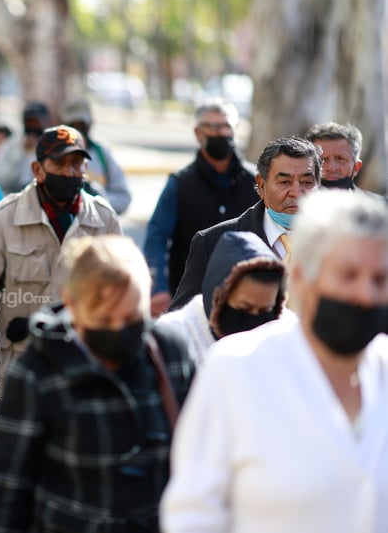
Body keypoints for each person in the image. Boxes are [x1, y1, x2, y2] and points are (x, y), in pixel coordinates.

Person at [160, 189, 388, 533]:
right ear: (300, 279)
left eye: (380, 280)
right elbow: (193, 515)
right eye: (347, 275)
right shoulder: (237, 369)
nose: (365, 294)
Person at [0, 235, 195, 533]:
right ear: (71, 305)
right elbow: (6, 490)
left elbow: (203, 461)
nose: (119, 329)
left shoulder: (171, 352)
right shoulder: (38, 373)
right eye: (104, 320)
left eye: (131, 317)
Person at [0, 125, 123, 385]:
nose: (70, 172)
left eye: (77, 164)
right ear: (37, 170)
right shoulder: (3, 219)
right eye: (60, 164)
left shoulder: (103, 219)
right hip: (19, 371)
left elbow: (119, 295)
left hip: (85, 368)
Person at [170, 135, 321, 310]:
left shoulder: (337, 243)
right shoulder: (212, 243)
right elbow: (183, 320)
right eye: (284, 182)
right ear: (261, 185)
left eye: (307, 182)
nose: (296, 192)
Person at [143, 99, 257, 316]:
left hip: (246, 297)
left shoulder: (256, 182)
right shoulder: (180, 184)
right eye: (214, 127)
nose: (221, 133)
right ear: (198, 133)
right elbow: (156, 239)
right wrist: (158, 289)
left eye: (227, 126)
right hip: (189, 298)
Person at [155, 231, 289, 365]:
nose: (254, 318)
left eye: (264, 310)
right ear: (219, 297)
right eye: (244, 307)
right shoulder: (172, 337)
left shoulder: (286, 332)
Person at [59, 96, 132, 214]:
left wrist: (98, 199)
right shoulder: (53, 157)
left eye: (81, 125)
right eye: (73, 126)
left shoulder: (102, 154)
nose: (77, 132)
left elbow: (123, 198)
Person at [304, 121, 384, 199]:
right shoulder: (296, 207)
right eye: (322, 160)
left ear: (356, 167)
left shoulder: (378, 207)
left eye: (340, 159)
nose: (332, 168)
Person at [0, 101, 51, 193]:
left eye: (36, 122)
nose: (32, 126)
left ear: (45, 121)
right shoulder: (11, 144)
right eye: (28, 121)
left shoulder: (54, 144)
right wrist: (21, 154)